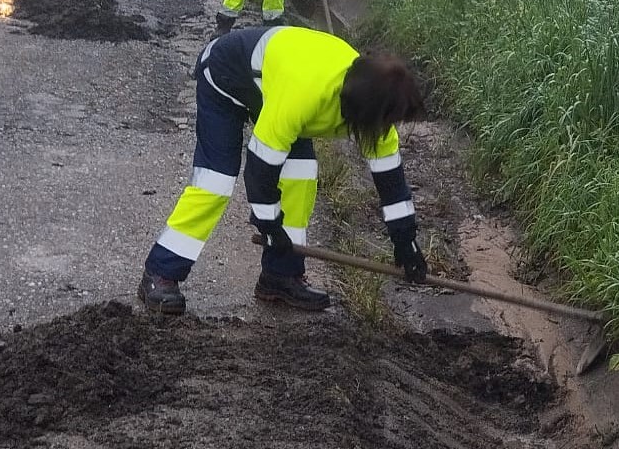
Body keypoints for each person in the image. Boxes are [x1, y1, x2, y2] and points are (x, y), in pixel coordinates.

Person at [137, 25, 429, 314]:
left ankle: (280, 275)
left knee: (299, 175)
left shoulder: (376, 107)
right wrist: (269, 224)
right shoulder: (305, 95)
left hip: (275, 83)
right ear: (364, 113)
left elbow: (391, 182)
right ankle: (161, 271)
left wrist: (406, 241)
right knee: (216, 180)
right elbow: (259, 170)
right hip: (225, 76)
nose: (388, 129)